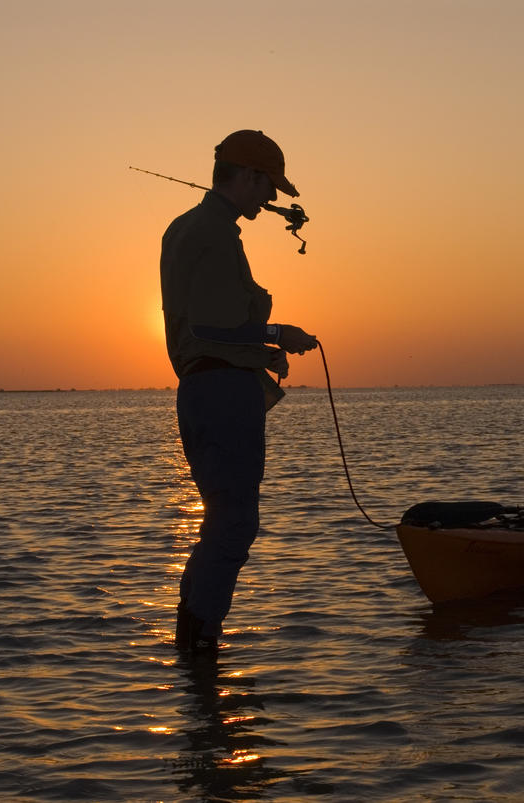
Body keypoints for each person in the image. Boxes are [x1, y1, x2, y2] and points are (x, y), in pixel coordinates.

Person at [159, 129, 318, 656]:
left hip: (205, 390)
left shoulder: (185, 228)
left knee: (222, 522)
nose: (272, 198)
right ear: (246, 176)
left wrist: (259, 352)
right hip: (223, 397)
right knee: (235, 524)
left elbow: (208, 328)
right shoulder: (214, 233)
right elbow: (211, 325)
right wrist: (278, 335)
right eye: (268, 185)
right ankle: (200, 647)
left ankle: (193, 653)